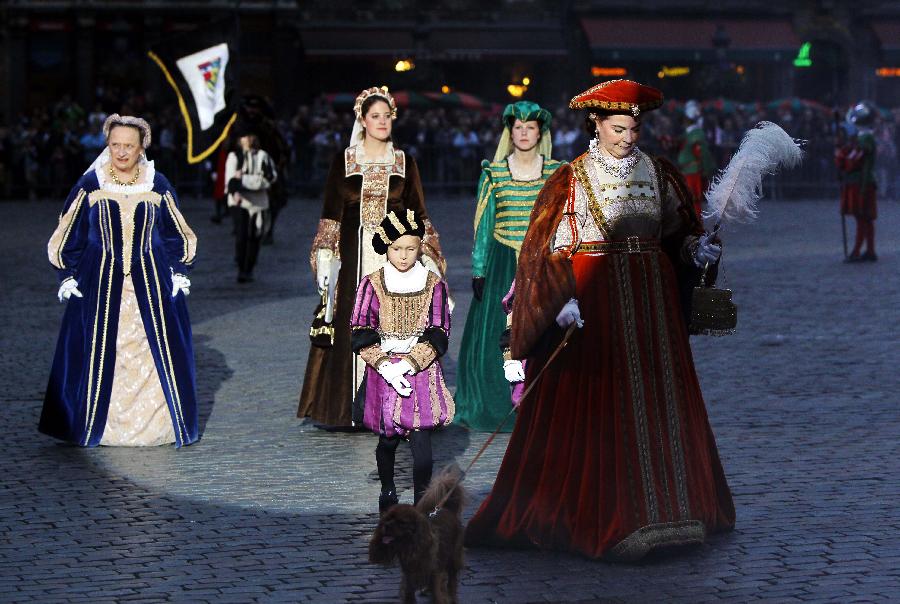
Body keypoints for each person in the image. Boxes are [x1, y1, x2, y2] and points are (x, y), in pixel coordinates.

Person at [465, 80, 735, 561]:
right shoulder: (571, 177)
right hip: (597, 299)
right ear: (597, 124)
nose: (627, 136)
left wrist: (700, 251)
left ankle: (672, 508)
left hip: (652, 303)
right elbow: (545, 248)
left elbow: (677, 235)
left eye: (633, 127)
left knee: (658, 396)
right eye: (618, 128)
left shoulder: (659, 173)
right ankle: (609, 512)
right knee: (601, 399)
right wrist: (561, 296)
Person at [39, 114, 199, 447]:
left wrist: (180, 270)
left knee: (153, 350)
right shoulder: (92, 184)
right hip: (99, 283)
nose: (121, 152)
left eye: (128, 145)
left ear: (141, 147)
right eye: (115, 145)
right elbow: (70, 233)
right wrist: (66, 274)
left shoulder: (157, 184)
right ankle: (95, 424)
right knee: (99, 348)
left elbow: (175, 233)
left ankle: (157, 425)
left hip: (151, 284)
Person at [298, 87, 446, 429]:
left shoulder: (404, 161)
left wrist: (429, 257)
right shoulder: (344, 161)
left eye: (387, 116)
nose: (382, 122)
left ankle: (392, 405)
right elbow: (331, 216)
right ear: (362, 120)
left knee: (394, 322)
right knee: (354, 319)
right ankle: (349, 406)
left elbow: (419, 214)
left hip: (395, 258)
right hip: (353, 259)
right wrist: (324, 256)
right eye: (374, 116)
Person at [455, 101, 562, 431]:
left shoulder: (557, 171)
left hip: (542, 261)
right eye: (518, 127)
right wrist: (479, 268)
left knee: (545, 332)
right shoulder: (494, 173)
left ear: (540, 132)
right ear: (510, 132)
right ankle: (497, 403)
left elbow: (563, 221)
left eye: (530, 127)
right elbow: (485, 224)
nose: (524, 133)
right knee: (494, 336)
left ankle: (543, 402)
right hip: (503, 261)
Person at [351, 209, 454, 511]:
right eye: (397, 249)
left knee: (422, 447)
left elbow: (439, 330)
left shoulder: (432, 282)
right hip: (384, 372)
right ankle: (388, 488)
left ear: (420, 246)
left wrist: (410, 363)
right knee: (388, 441)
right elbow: (360, 329)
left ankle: (422, 504)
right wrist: (384, 364)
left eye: (411, 248)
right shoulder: (373, 283)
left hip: (420, 371)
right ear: (387, 247)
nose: (404, 256)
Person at [225, 129, 277, 283]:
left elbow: (269, 178)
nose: (246, 139)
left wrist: (245, 180)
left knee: (255, 236)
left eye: (248, 135)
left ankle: (249, 268)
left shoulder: (263, 156)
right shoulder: (234, 157)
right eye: (243, 136)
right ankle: (242, 269)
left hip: (258, 203)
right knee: (241, 236)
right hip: (239, 202)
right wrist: (240, 186)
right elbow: (231, 181)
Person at [839, 102, 878, 262]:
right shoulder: (863, 138)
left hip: (863, 182)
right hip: (863, 181)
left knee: (862, 217)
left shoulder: (865, 138)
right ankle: (869, 250)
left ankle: (857, 251)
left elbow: (857, 158)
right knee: (865, 218)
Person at [677, 100, 716, 218]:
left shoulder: (696, 134)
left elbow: (702, 154)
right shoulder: (688, 133)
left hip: (693, 171)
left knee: (694, 199)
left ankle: (696, 225)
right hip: (686, 171)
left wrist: (706, 169)